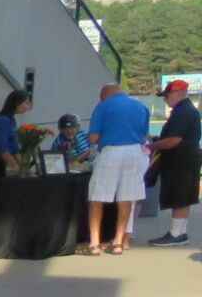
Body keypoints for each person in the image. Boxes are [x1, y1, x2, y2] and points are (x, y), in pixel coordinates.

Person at [85, 82, 152, 256]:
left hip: (111, 151)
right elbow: (144, 134)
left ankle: (94, 242)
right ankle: (118, 242)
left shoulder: (103, 106)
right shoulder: (141, 107)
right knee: (126, 197)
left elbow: (93, 137)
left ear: (105, 95)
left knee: (97, 196)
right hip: (135, 152)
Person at [144, 79, 201, 246]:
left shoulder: (182, 112)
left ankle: (175, 233)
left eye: (167, 96)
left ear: (176, 93)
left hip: (180, 159)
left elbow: (174, 140)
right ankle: (181, 231)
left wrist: (152, 146)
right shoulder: (189, 110)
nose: (165, 100)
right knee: (186, 196)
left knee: (179, 196)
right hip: (189, 157)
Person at [0, 90, 30, 188]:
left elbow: (14, 147)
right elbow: (2, 149)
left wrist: (23, 167)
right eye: (26, 103)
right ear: (17, 104)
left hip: (1, 162)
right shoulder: (2, 121)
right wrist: (15, 166)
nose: (28, 106)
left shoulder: (11, 120)